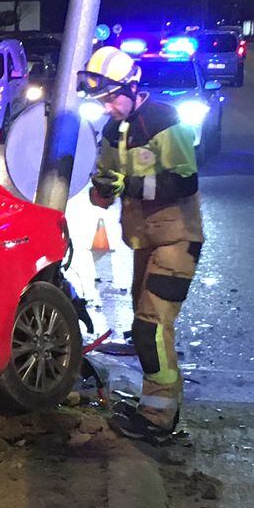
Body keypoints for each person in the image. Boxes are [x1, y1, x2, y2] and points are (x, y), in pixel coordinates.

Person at [83, 45, 204, 441]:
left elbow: (184, 181)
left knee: (151, 328)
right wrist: (100, 190)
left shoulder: (163, 120)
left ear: (133, 87)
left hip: (177, 239)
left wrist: (129, 184)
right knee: (145, 328)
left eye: (112, 97)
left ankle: (158, 419)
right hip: (144, 241)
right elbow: (103, 184)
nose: (108, 107)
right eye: (102, 100)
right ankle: (155, 408)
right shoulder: (111, 130)